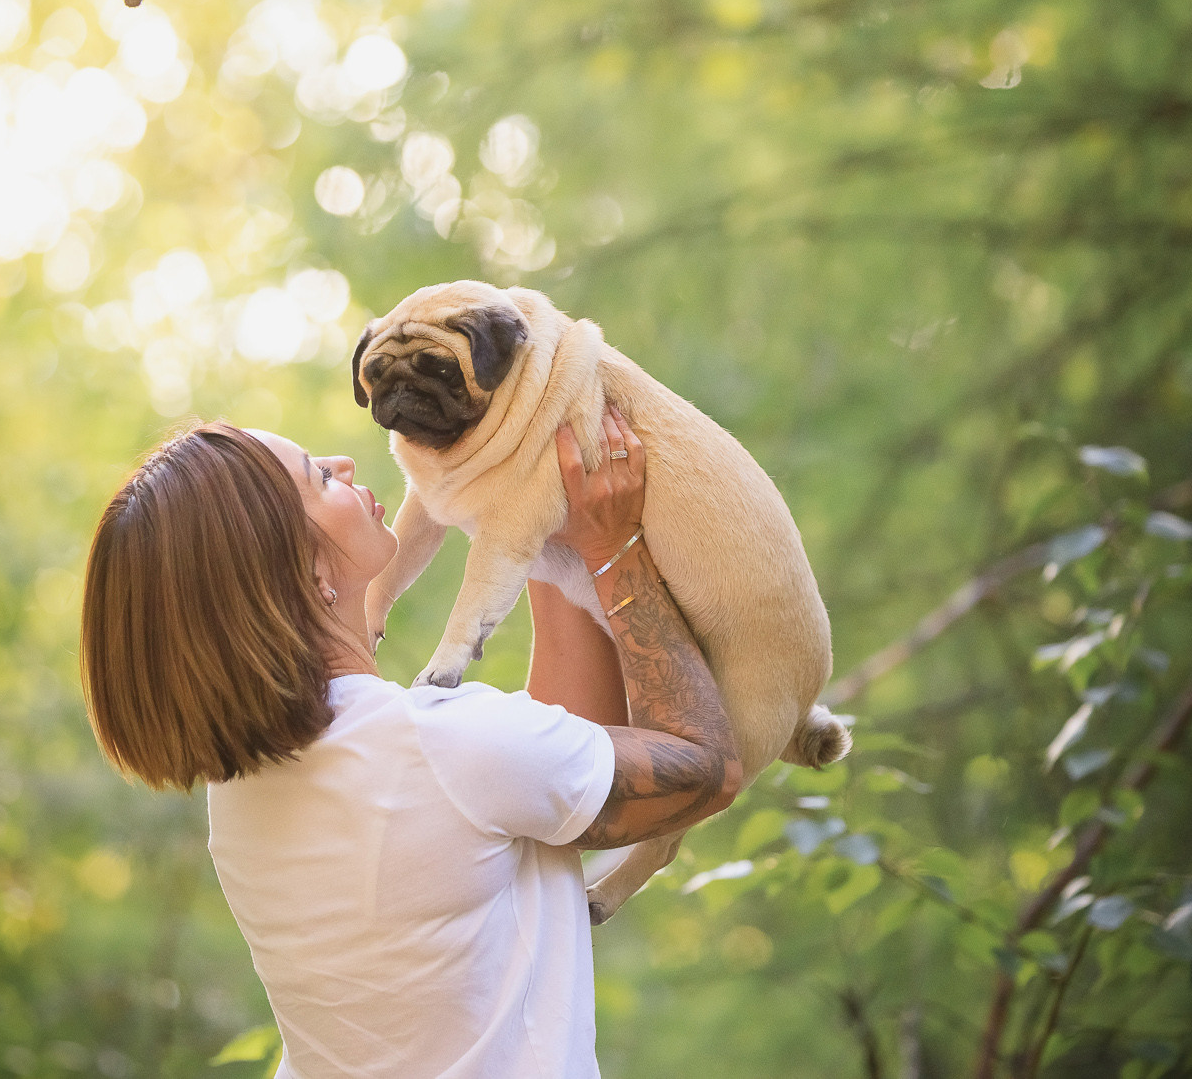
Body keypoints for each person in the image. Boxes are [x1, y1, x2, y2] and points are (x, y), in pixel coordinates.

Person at [80, 407, 740, 1079]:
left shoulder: (242, 794)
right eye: (318, 476)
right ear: (307, 572)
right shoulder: (441, 745)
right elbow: (707, 767)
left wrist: (535, 509)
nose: (346, 463)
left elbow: (549, 777)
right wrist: (616, 549)